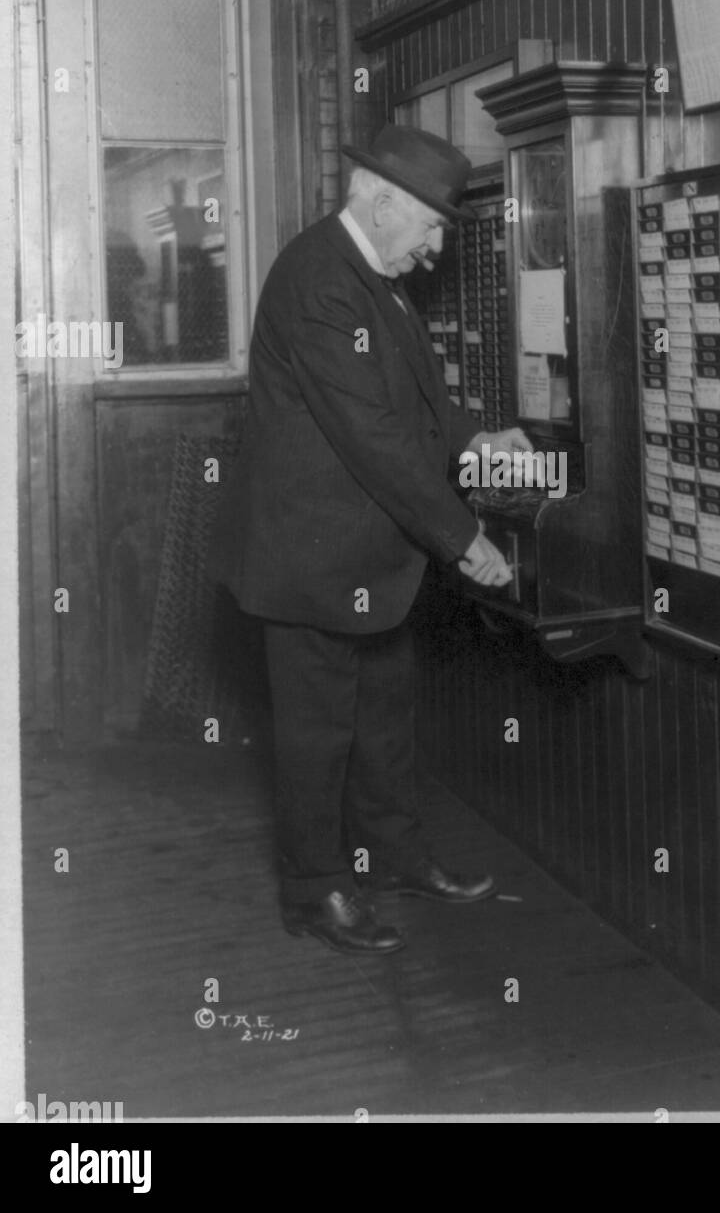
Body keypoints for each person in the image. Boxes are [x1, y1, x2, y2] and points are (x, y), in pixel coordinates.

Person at [207, 125, 532, 954]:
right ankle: (315, 894)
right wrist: (463, 539)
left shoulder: (375, 277)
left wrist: (475, 440)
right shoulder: (319, 279)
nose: (432, 250)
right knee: (316, 735)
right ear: (382, 201)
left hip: (374, 558)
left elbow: (414, 406)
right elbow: (373, 438)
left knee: (385, 718)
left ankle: (392, 858)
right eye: (429, 227)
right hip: (309, 561)